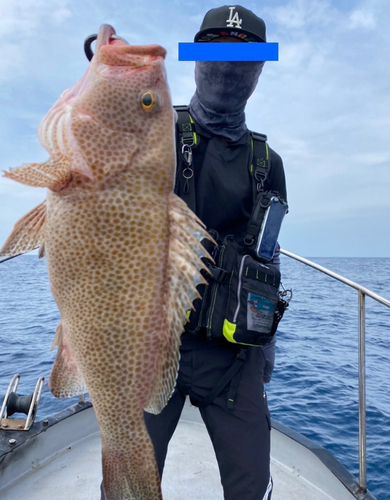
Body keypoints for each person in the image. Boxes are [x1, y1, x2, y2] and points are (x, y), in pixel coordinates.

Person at [144, 5, 287, 500]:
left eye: (244, 55)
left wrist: (265, 347)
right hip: (152, 344)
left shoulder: (268, 162)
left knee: (251, 489)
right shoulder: (155, 132)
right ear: (197, 59)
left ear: (260, 68)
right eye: (215, 49)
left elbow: (267, 257)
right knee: (126, 486)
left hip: (234, 358)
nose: (227, 67)